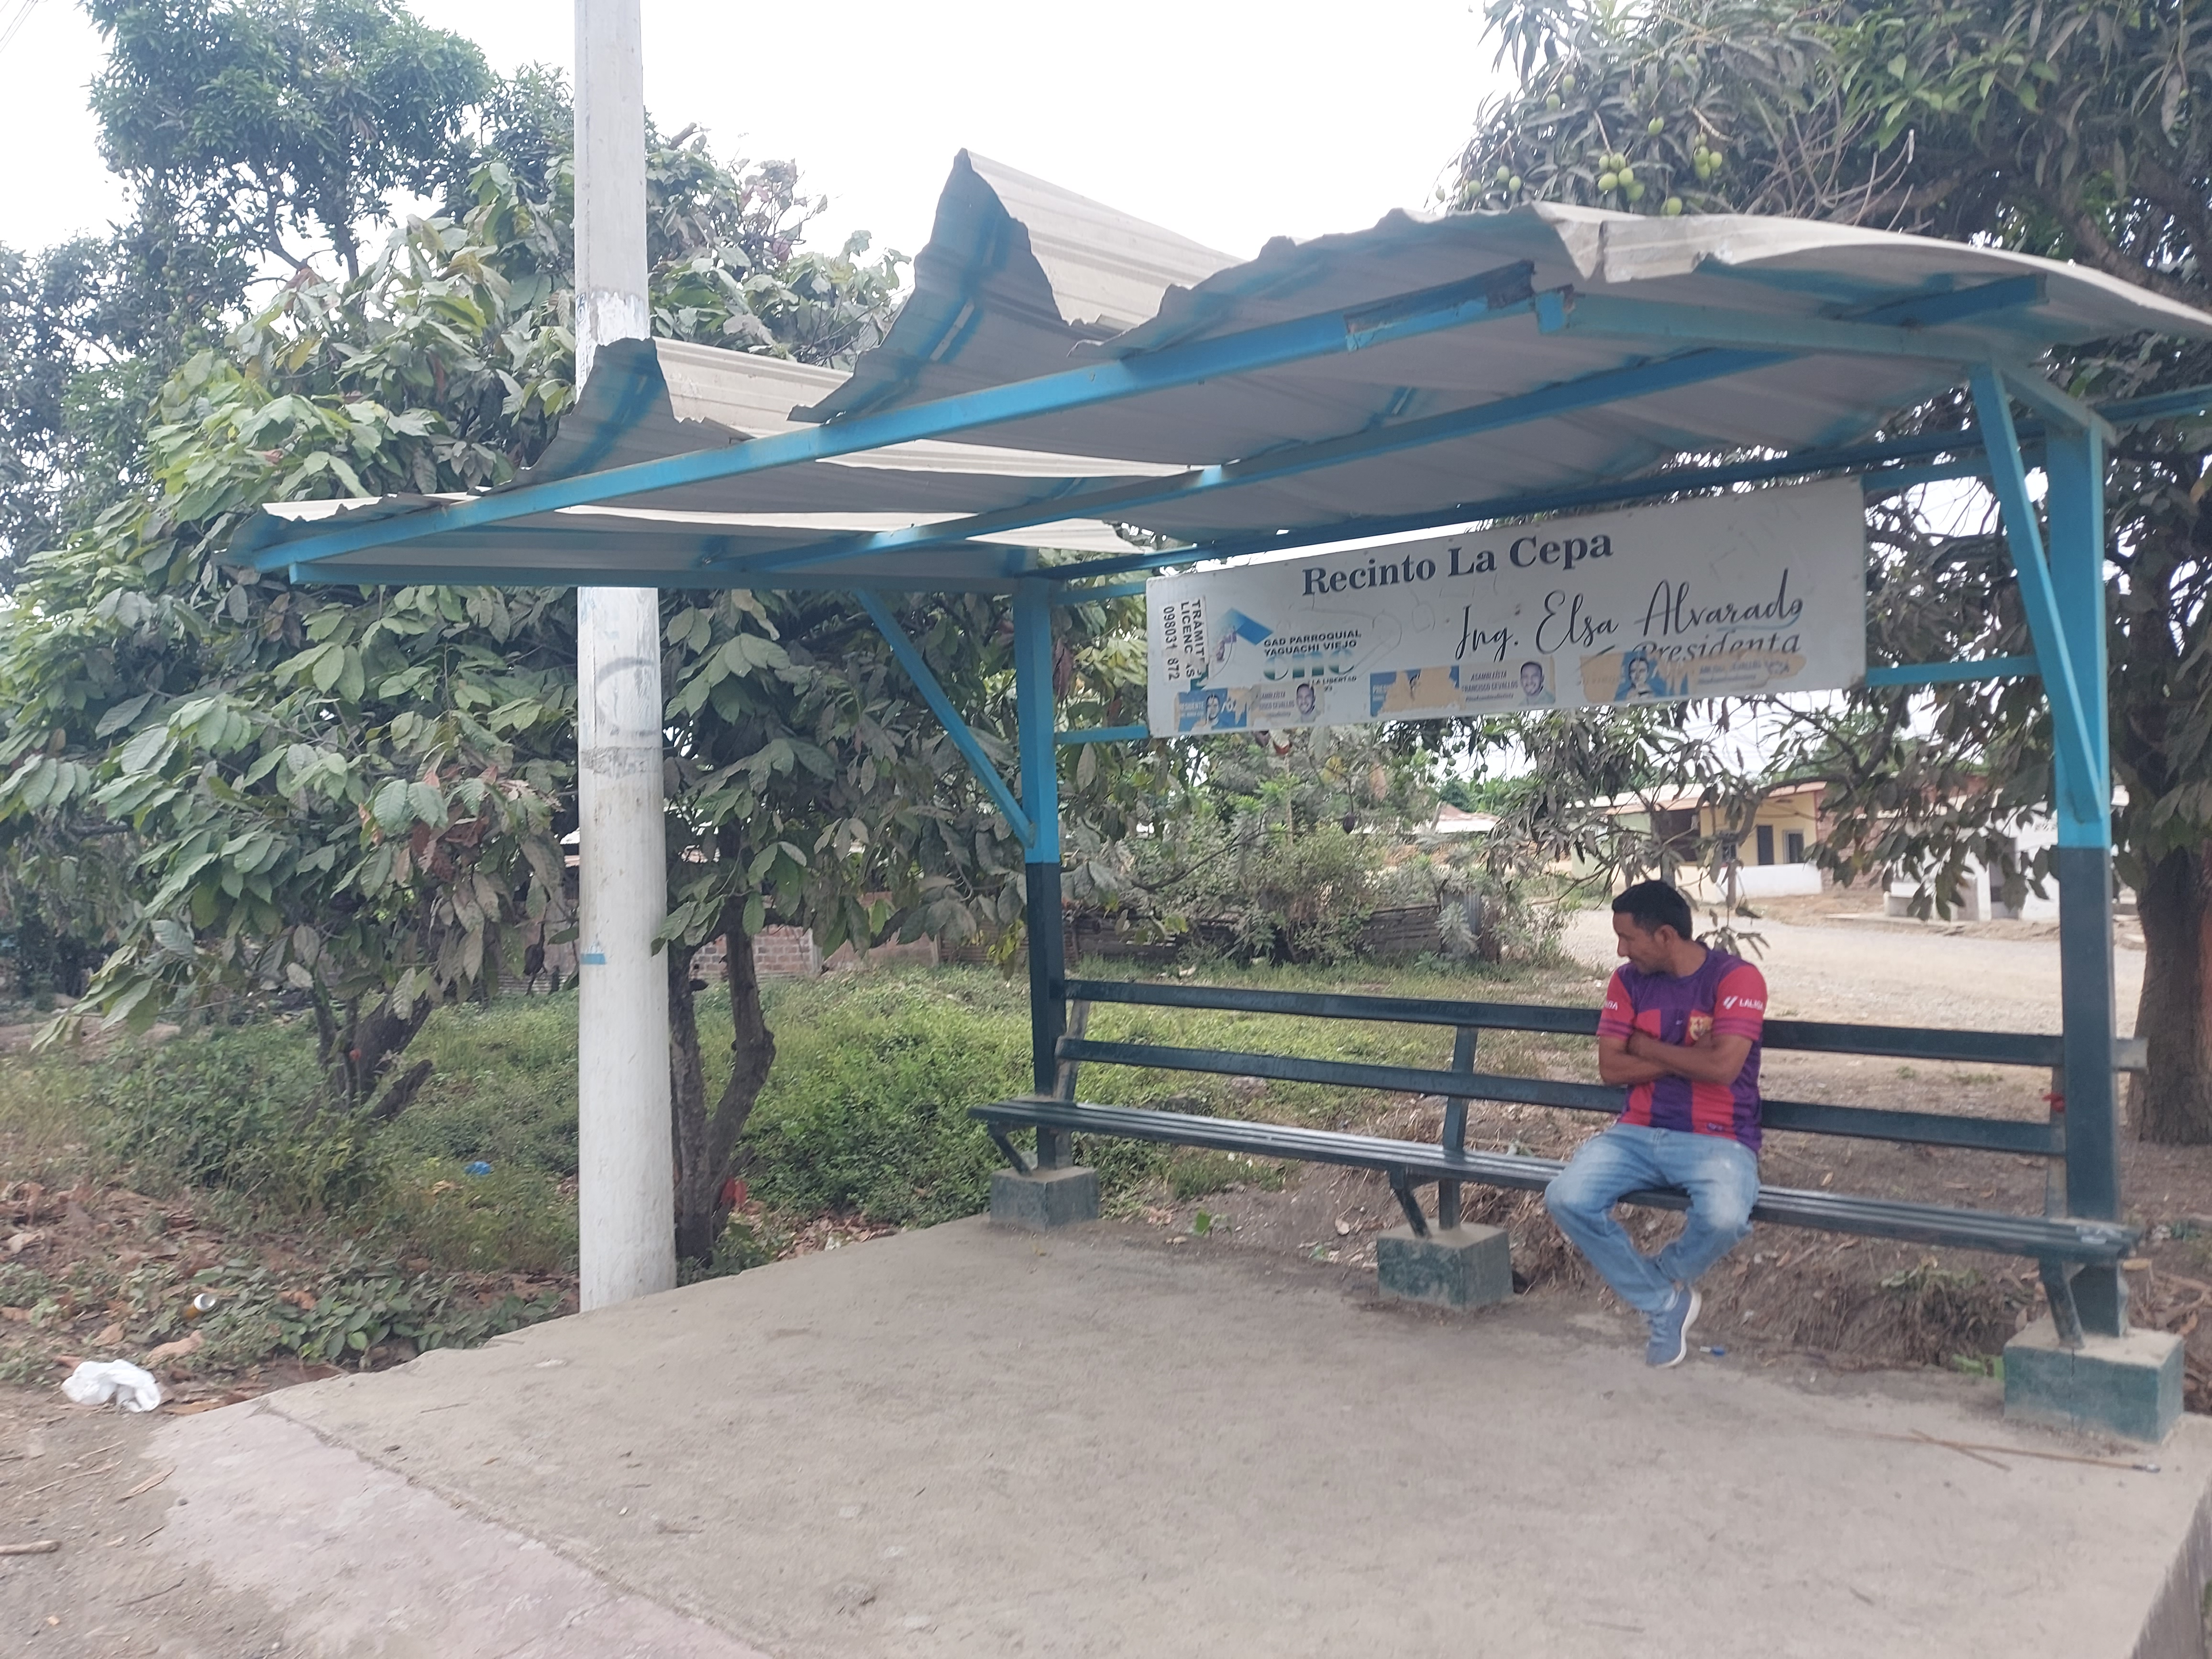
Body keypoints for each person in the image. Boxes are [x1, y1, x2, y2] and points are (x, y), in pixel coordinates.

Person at [1545, 879, 1767, 1367]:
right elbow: (1612, 1069)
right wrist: (1685, 1057)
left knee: (1725, 1219)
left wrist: (1646, 1048)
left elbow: (1722, 1068)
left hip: (1718, 1138)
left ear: (1665, 935)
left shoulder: (1736, 979)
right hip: (1635, 1134)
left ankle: (1659, 1278)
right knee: (1566, 1197)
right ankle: (1665, 1303)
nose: (1621, 950)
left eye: (1628, 938)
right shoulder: (1627, 982)